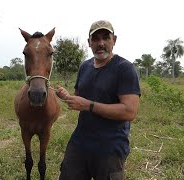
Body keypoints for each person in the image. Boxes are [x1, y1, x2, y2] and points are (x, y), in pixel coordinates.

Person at [57, 20, 141, 180]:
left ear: (114, 40)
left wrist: (89, 105)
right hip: (80, 142)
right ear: (89, 43)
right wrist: (66, 96)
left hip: (110, 147)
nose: (100, 43)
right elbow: (79, 97)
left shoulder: (124, 68)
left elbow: (129, 111)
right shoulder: (85, 67)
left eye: (105, 38)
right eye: (95, 39)